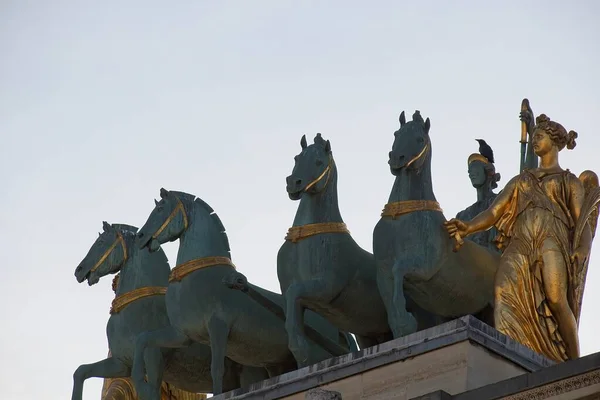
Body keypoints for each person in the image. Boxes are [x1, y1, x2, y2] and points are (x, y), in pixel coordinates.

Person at [444, 113, 592, 362]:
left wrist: (583, 247)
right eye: (533, 137)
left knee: (556, 300)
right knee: (502, 292)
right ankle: (513, 360)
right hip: (521, 243)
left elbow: (583, 223)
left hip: (551, 240)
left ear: (554, 142)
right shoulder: (522, 181)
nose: (535, 141)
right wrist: (468, 227)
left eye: (540, 136)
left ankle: (575, 363)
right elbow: (493, 212)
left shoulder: (569, 182)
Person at [455, 143, 501, 252]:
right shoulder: (462, 215)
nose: (471, 173)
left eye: (475, 169)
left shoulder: (500, 201)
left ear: (487, 172)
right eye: (469, 171)